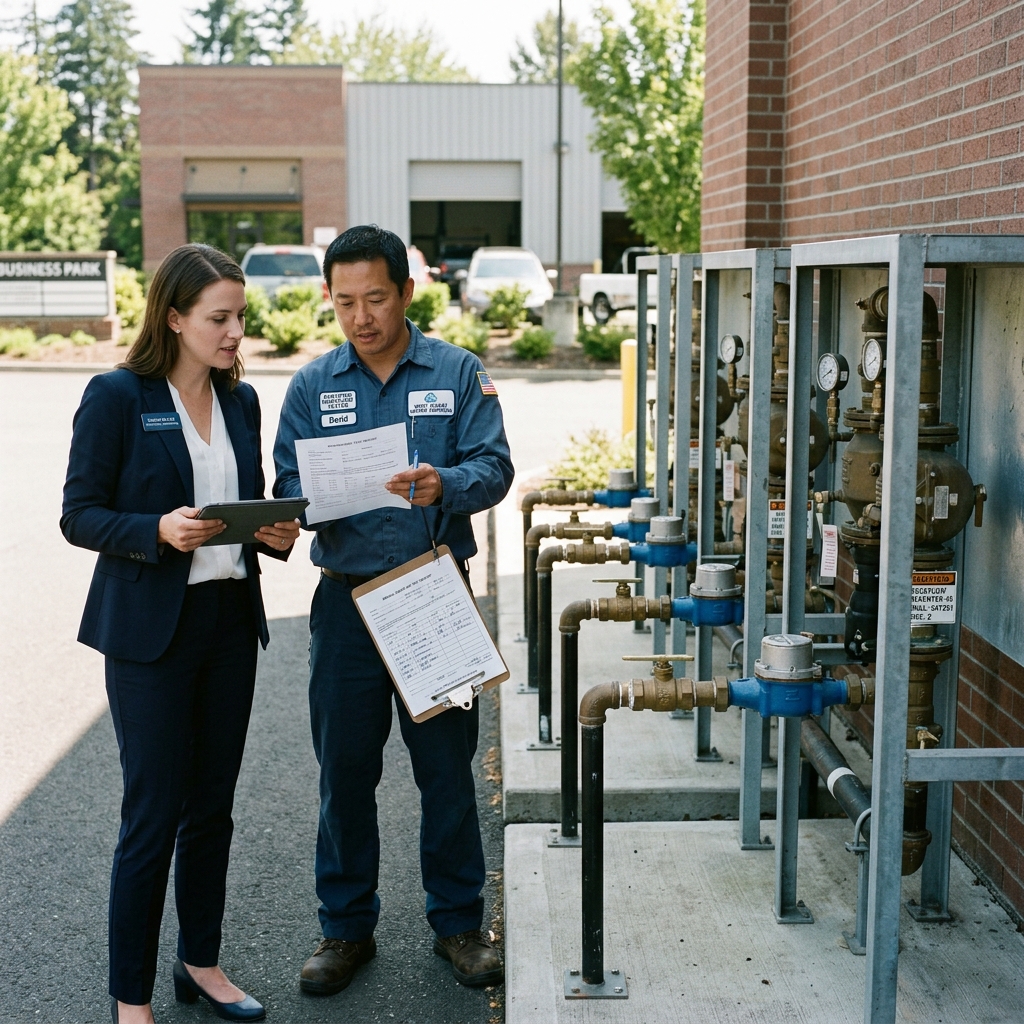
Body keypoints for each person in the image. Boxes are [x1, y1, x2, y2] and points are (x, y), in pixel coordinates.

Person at [61, 244, 301, 1024]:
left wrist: (271, 531)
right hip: (149, 638)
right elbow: (79, 514)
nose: (236, 333)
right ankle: (131, 1000)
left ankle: (201, 964)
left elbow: (249, 503)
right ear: (175, 317)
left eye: (240, 317)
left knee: (213, 811)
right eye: (219, 318)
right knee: (153, 815)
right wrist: (155, 529)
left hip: (229, 623)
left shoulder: (242, 402)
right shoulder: (117, 396)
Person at [273, 225, 514, 996]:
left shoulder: (456, 371)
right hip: (345, 607)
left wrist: (446, 482)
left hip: (431, 596)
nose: (361, 316)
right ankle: (345, 931)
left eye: (375, 298)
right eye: (344, 302)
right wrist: (288, 509)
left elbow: (495, 465)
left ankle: (460, 927)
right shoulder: (314, 386)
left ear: (408, 292)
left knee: (445, 772)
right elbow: (288, 483)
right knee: (344, 774)